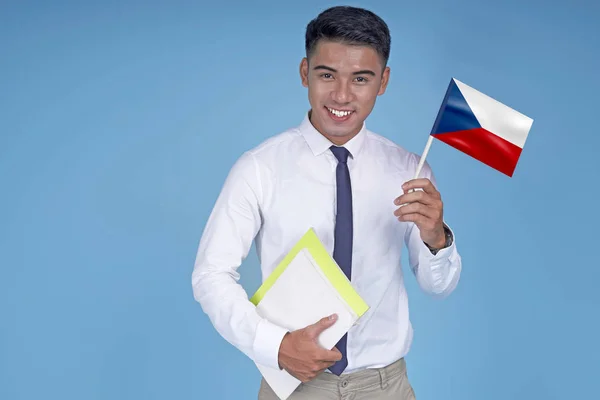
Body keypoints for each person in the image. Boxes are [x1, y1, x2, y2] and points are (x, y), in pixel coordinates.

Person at [192, 5, 462, 399]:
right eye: (326, 74)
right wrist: (276, 345)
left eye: (361, 79)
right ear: (305, 73)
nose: (341, 95)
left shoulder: (409, 170)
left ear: (383, 81)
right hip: (296, 384)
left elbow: (438, 287)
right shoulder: (259, 168)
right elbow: (210, 275)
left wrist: (437, 237)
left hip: (385, 387)